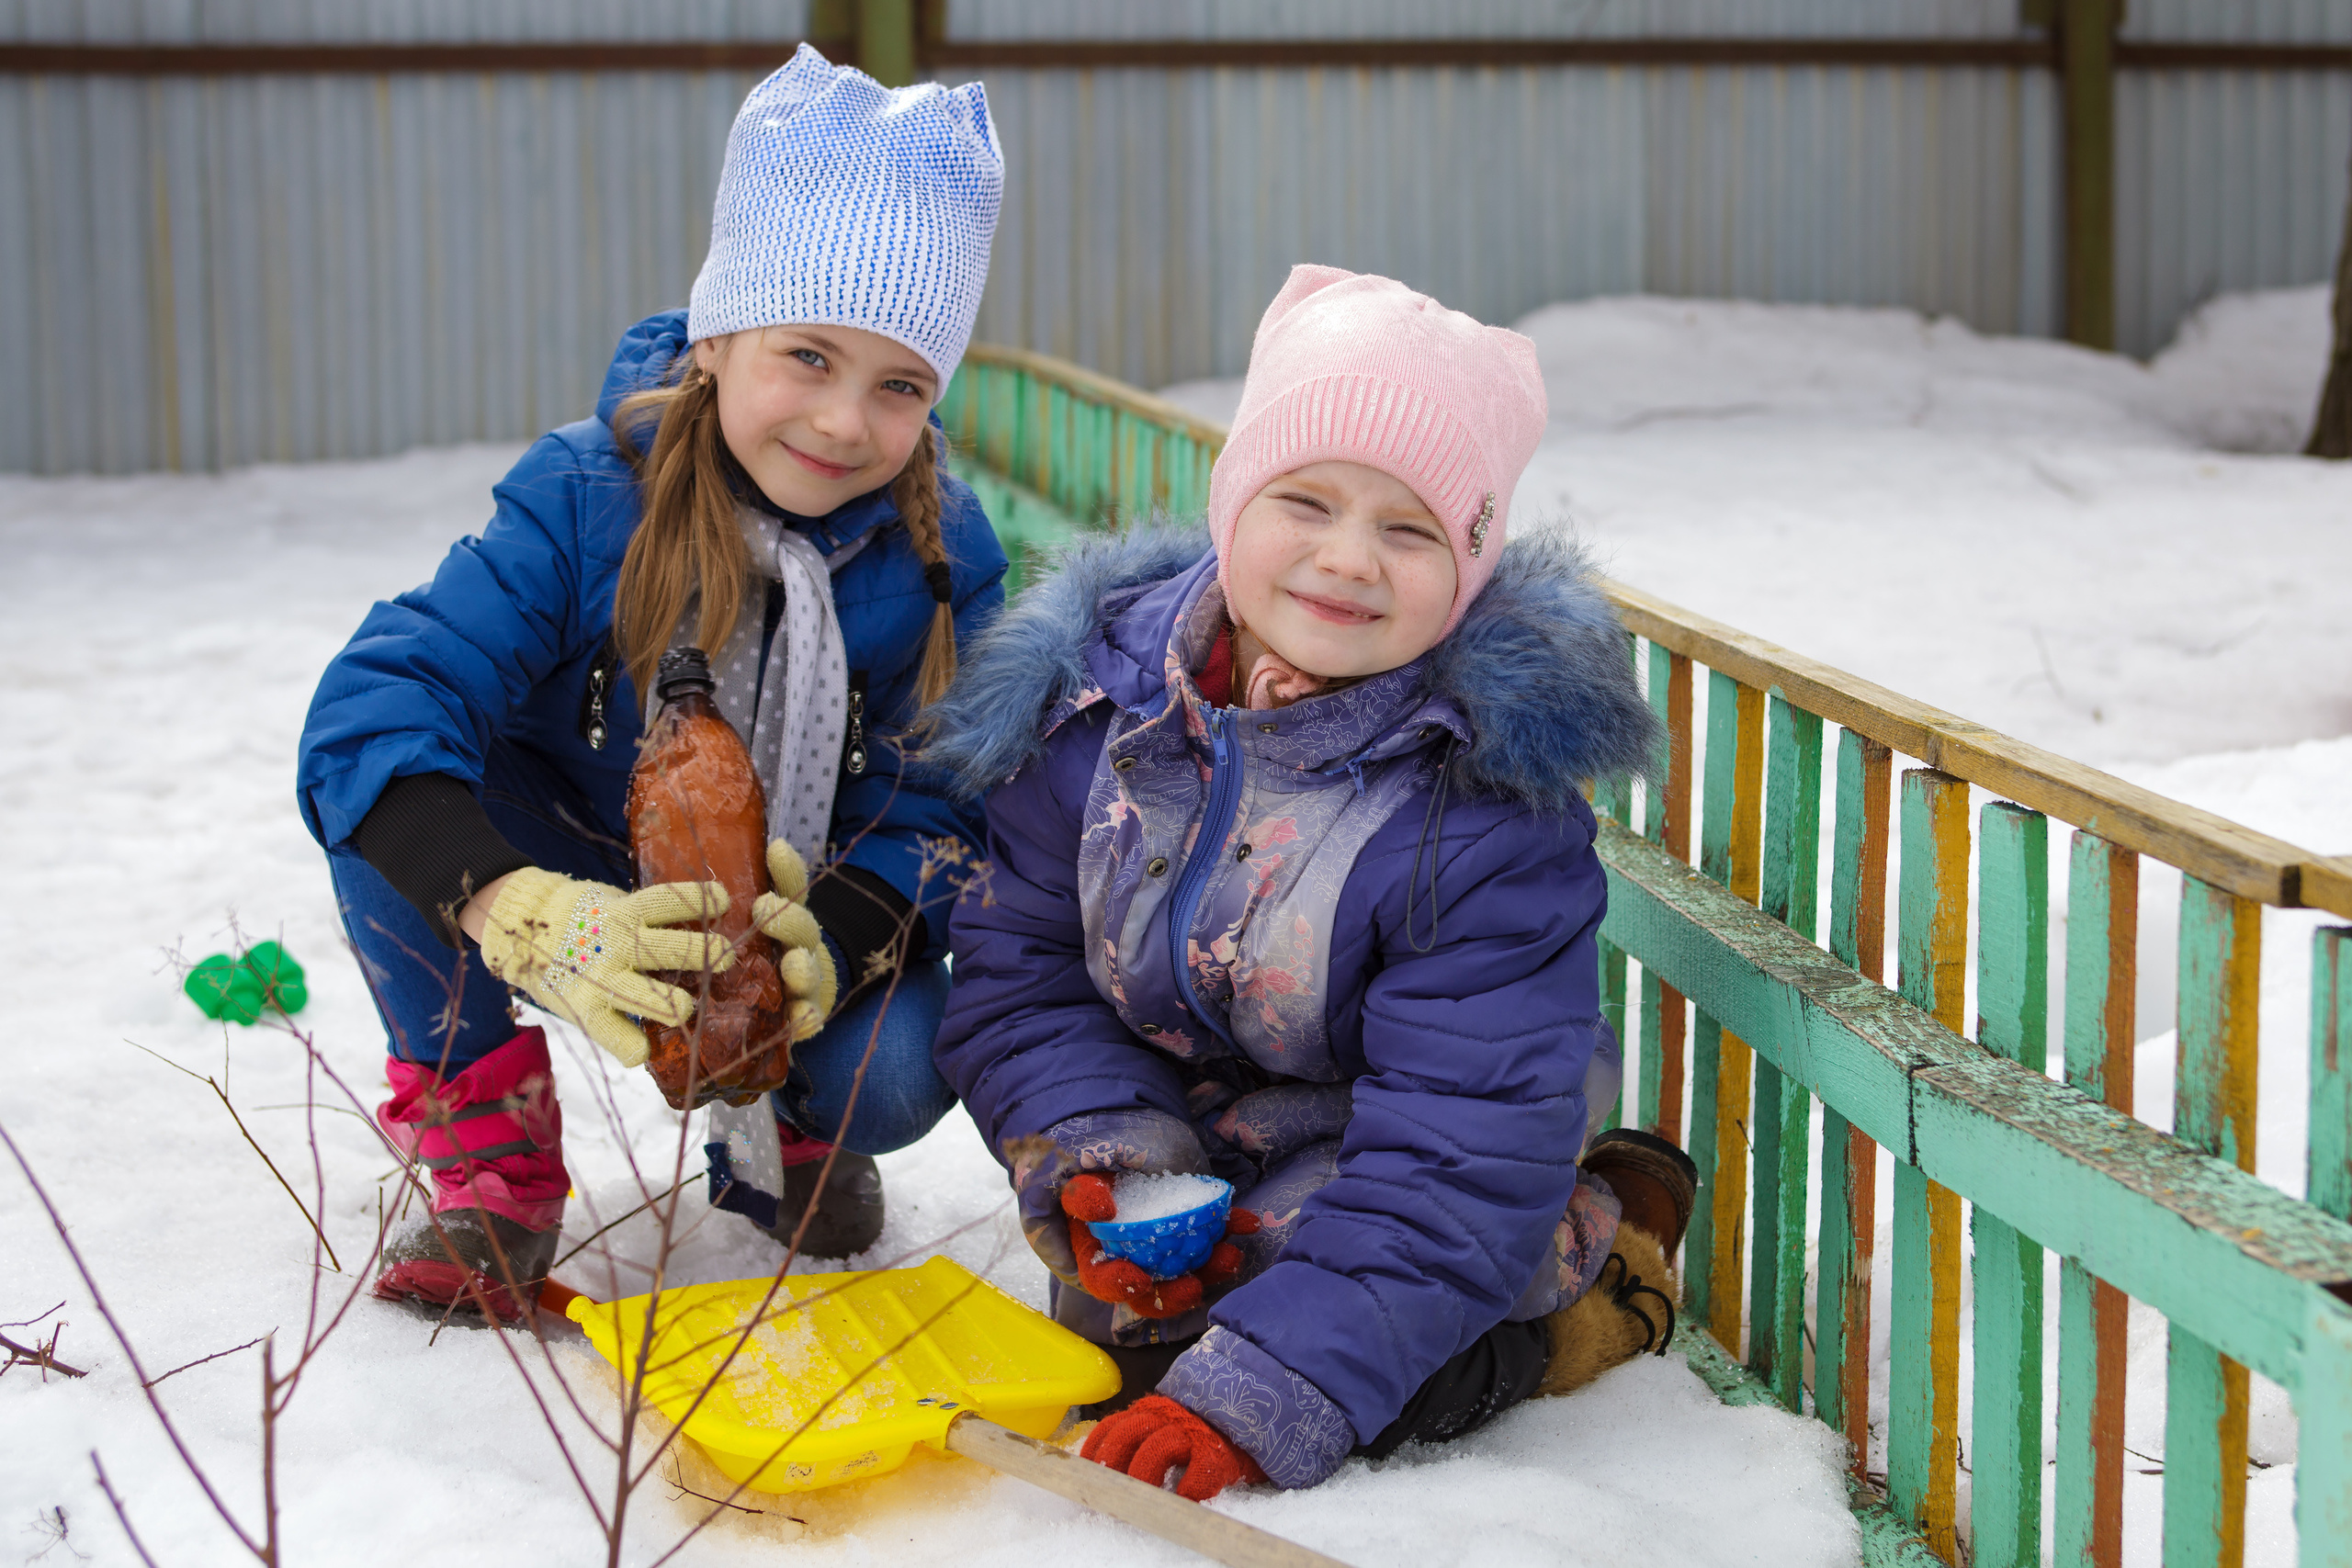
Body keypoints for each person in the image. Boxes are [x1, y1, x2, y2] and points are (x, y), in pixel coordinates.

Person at [926, 265, 1700, 1495]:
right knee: (1130, 1342)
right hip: (1194, 1124)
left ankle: (1594, 1283)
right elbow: (1024, 977)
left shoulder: (1479, 809)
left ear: (1471, 566)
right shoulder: (1097, 711)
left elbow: (1458, 1143)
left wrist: (1263, 1398)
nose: (1348, 561)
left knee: (1316, 1366)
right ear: (1236, 500)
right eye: (1307, 501)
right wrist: (1107, 1160)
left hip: (1401, 1159)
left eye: (1410, 530)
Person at [296, 46, 1007, 1320]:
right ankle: (491, 1150)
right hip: (572, 848)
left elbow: (951, 798)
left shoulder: (943, 553)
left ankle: (791, 1118)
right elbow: (378, 705)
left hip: (784, 892)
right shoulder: (583, 496)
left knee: (895, 1073)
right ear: (720, 337)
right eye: (807, 355)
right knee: (384, 816)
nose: (846, 423)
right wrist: (525, 912)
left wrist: (832, 942)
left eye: (900, 385)